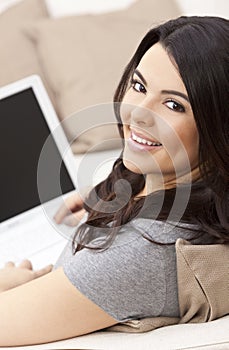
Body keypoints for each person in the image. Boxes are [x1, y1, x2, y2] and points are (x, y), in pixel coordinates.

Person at [0, 15, 228, 346]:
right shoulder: (198, 200)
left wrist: (7, 284)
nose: (138, 113)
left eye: (173, 104)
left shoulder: (136, 255)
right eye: (139, 86)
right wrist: (112, 197)